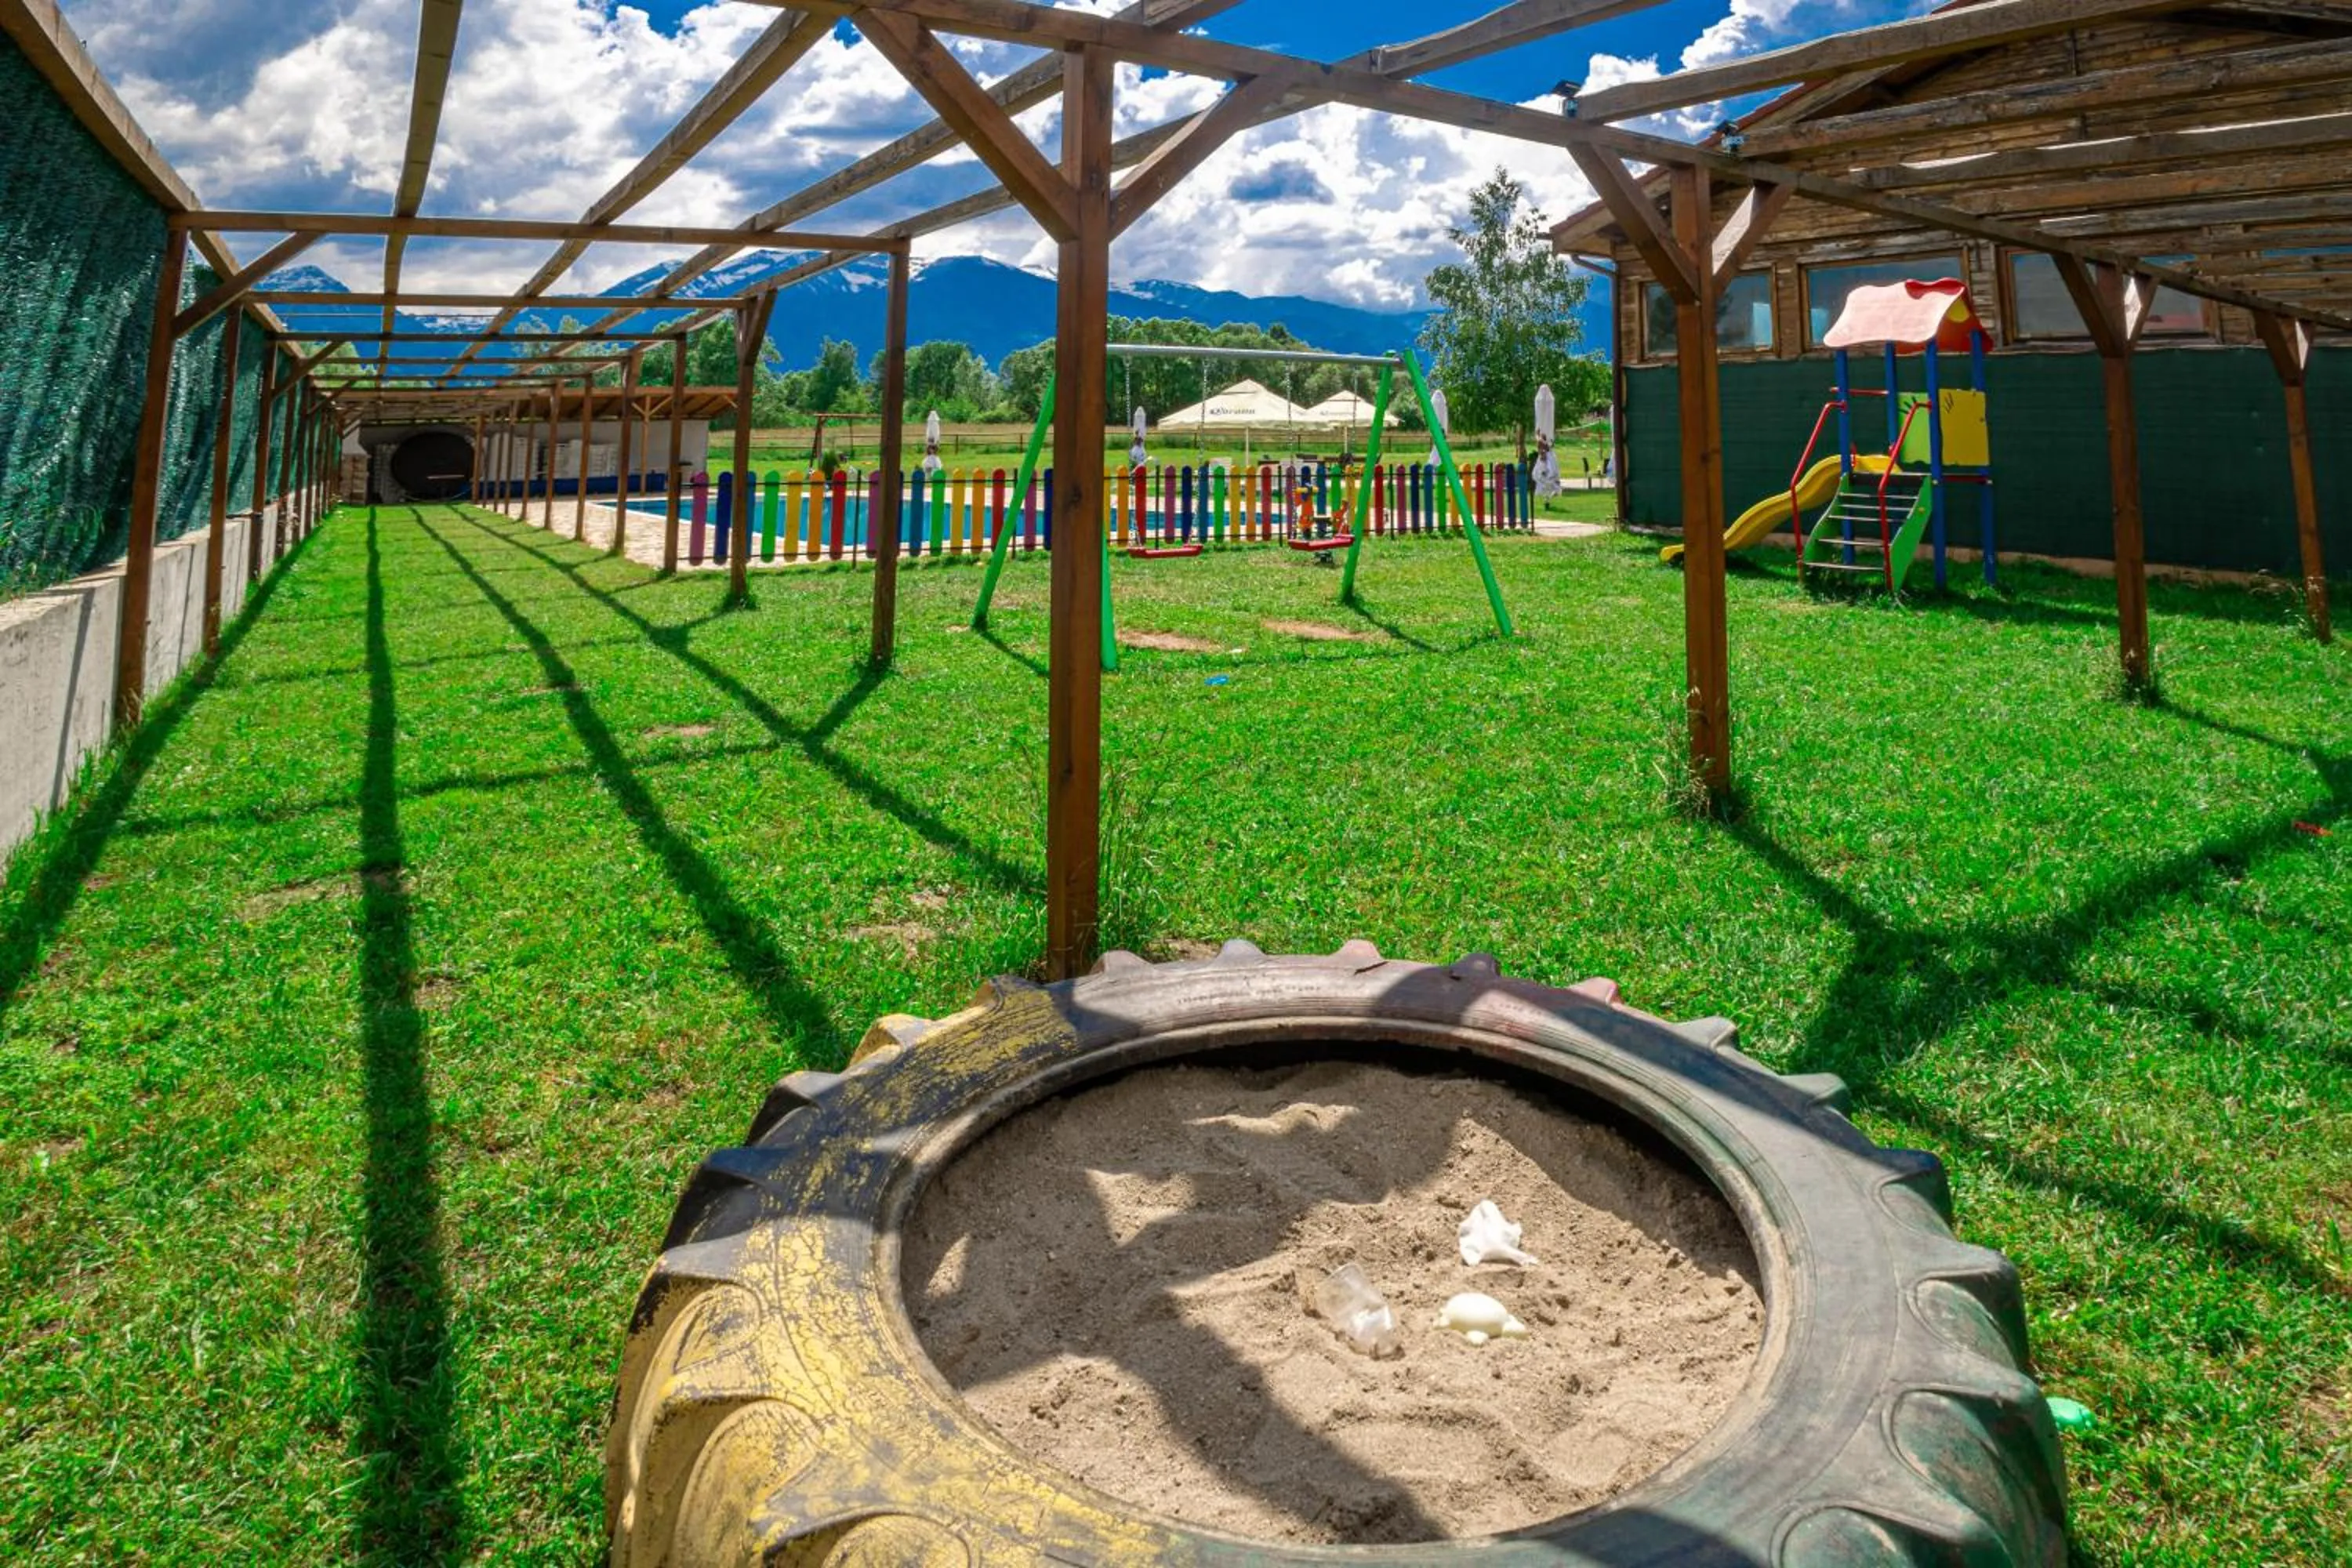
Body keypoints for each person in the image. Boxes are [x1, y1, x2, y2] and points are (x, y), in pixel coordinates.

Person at [1531, 433, 1563, 499]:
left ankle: (1552, 491)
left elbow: (1542, 442)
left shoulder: (1547, 449)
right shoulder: (1544, 449)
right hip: (1543, 465)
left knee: (1548, 478)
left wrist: (1537, 435)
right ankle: (1547, 493)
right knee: (1539, 476)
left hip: (1548, 466)